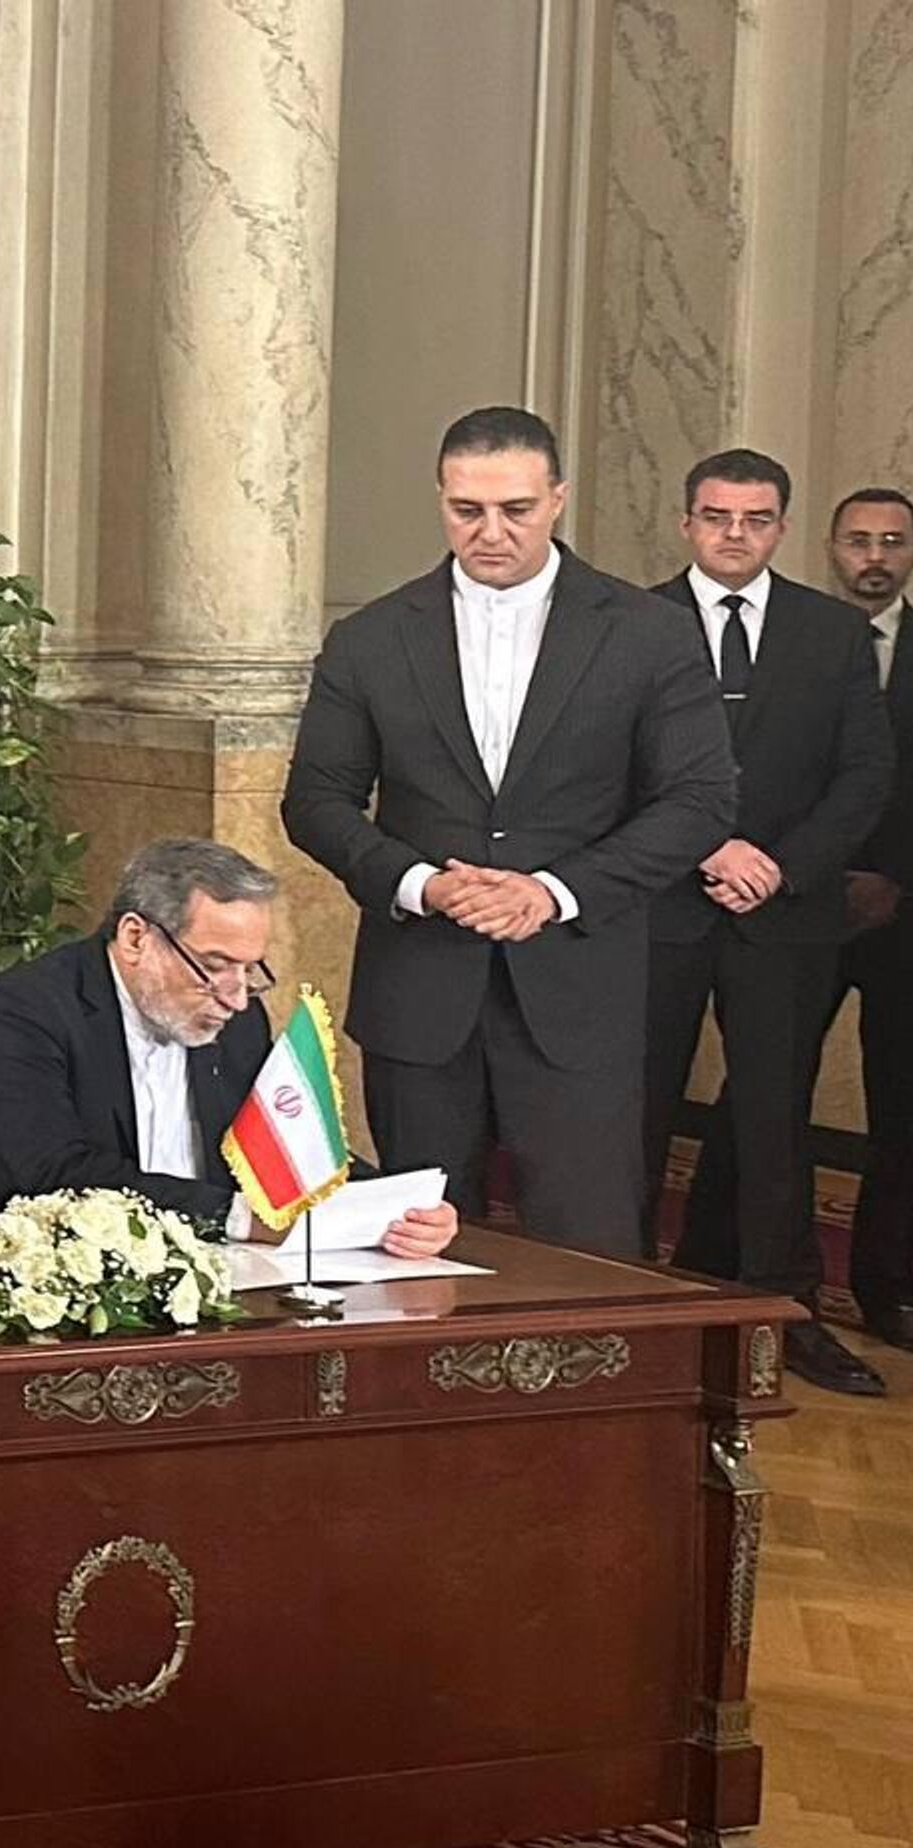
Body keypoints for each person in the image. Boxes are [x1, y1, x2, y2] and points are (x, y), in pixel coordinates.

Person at [281, 406, 738, 1258]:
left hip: (580, 989)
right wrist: (421, 883)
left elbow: (700, 800)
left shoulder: (649, 632)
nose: (490, 532)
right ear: (440, 500)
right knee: (411, 1251)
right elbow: (315, 799)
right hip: (419, 991)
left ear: (558, 499)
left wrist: (552, 893)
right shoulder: (370, 636)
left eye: (516, 510)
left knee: (587, 1250)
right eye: (467, 510)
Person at [641, 453, 896, 1395]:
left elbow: (865, 774)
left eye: (755, 519)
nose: (734, 534)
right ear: (687, 523)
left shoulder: (834, 632)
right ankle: (625, 1300)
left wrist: (780, 868)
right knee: (635, 1109)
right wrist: (712, 848)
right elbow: (610, 767)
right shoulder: (631, 622)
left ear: (783, 528)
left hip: (786, 913)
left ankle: (785, 1313)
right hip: (661, 906)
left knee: (775, 1117)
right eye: (717, 516)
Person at [0, 839, 460, 1257]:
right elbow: (58, 1174)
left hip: (224, 1267)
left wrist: (396, 1207)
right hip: (51, 1272)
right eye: (214, 967)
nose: (235, 997)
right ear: (136, 939)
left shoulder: (238, 1019)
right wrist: (238, 1217)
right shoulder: (26, 1012)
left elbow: (285, 1135)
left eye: (248, 969)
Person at [817, 487, 913, 1350]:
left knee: (902, 1104)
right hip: (801, 905)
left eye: (892, 541)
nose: (875, 557)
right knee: (763, 1091)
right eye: (859, 540)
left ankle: (889, 1288)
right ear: (830, 547)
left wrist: (894, 879)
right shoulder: (801, 640)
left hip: (905, 917)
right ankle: (750, 1271)